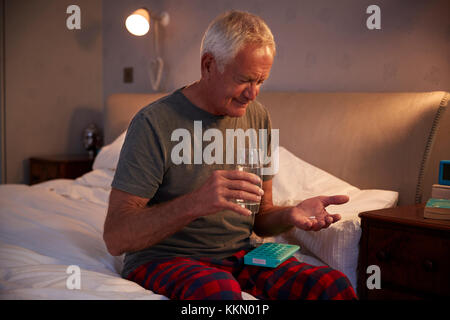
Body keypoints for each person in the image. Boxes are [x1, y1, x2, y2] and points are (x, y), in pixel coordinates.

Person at [103, 10, 357, 300]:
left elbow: (262, 217)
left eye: (261, 81)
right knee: (219, 293)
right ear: (208, 65)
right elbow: (116, 236)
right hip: (165, 258)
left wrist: (290, 214)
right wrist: (196, 203)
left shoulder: (259, 118)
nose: (253, 94)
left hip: (241, 256)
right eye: (245, 80)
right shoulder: (153, 123)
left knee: (332, 285)